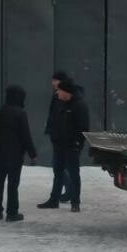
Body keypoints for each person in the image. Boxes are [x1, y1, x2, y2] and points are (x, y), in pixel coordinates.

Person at [0, 84, 37, 222]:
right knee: (13, 184)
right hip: (15, 155)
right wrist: (32, 153)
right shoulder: (20, 113)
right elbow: (25, 135)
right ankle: (12, 212)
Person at [39, 79, 89, 212]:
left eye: (59, 90)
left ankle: (75, 202)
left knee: (73, 174)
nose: (57, 93)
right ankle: (53, 200)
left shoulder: (79, 105)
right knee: (58, 172)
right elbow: (54, 121)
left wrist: (77, 144)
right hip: (58, 145)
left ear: (67, 92)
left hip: (72, 146)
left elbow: (83, 128)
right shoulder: (60, 103)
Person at [46, 70, 75, 202]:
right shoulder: (58, 94)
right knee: (60, 166)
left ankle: (69, 191)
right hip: (58, 135)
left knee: (58, 166)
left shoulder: (63, 96)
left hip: (61, 136)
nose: (53, 83)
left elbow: (59, 116)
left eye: (55, 80)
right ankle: (67, 192)